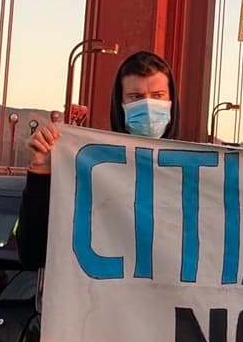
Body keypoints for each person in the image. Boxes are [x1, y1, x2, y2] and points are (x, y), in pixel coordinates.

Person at [17, 50, 180, 269]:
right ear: (120, 104)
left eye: (158, 96)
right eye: (136, 97)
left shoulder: (201, 177)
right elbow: (33, 253)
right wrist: (40, 172)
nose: (148, 107)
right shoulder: (86, 168)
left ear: (171, 101)